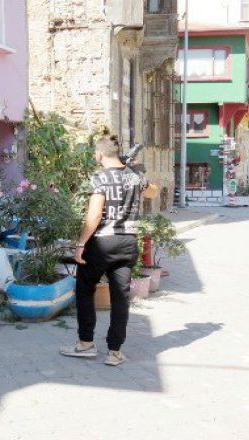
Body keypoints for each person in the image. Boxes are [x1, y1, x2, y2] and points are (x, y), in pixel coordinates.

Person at [61, 136, 158, 366]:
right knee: (120, 297)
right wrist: (135, 174)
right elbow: (153, 191)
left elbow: (94, 215)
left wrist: (81, 243)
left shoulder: (100, 177)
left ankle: (85, 343)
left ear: (99, 155)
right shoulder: (135, 176)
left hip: (103, 242)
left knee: (85, 288)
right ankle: (115, 352)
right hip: (128, 244)